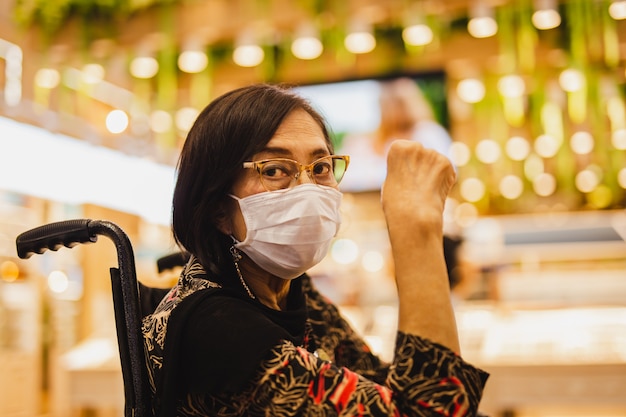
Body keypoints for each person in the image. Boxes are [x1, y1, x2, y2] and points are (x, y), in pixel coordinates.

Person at [142, 83, 488, 416]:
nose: (308, 191)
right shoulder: (216, 330)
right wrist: (417, 231)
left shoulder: (287, 289)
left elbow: (381, 384)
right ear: (219, 209)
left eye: (321, 168)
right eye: (275, 170)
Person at [340, 77, 453, 192]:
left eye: (397, 103)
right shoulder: (366, 143)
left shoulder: (429, 133)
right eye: (387, 104)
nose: (392, 111)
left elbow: (447, 176)